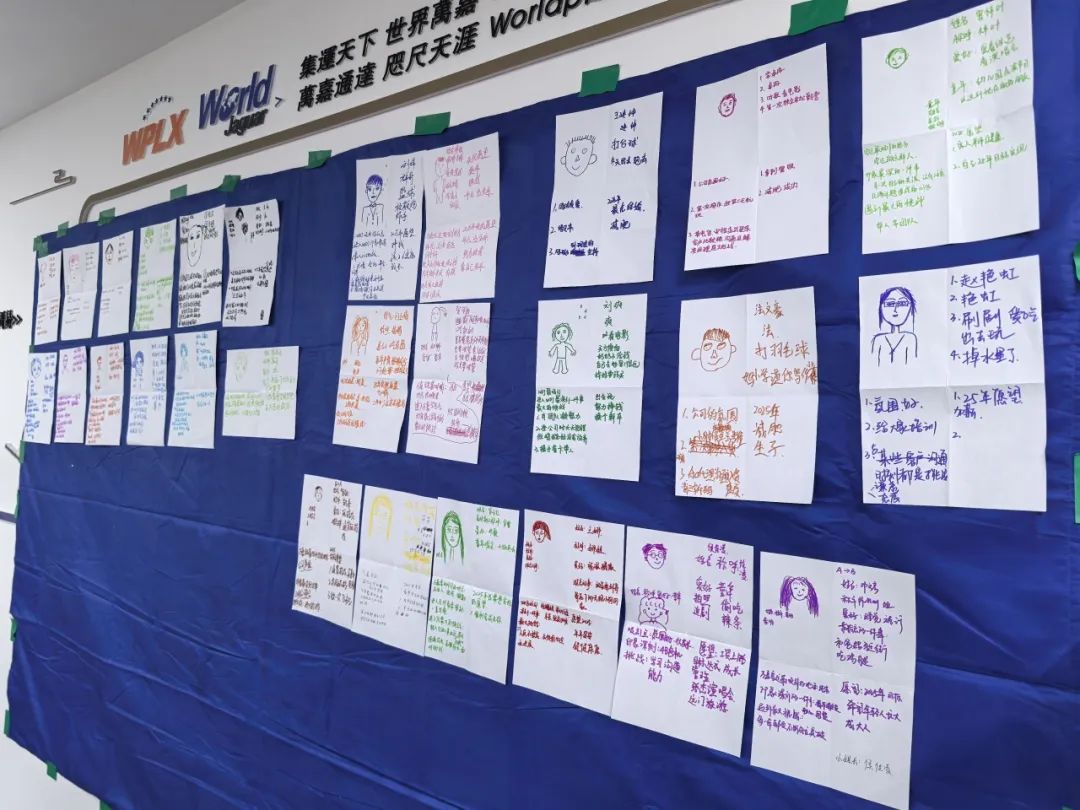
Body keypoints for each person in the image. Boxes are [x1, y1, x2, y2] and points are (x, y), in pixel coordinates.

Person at [870, 286, 917, 367]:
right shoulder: (878, 339)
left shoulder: (910, 338)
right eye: (890, 304)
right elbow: (872, 365)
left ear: (910, 307)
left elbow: (912, 365)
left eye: (902, 303)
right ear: (881, 308)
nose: (895, 309)